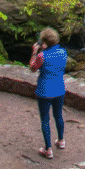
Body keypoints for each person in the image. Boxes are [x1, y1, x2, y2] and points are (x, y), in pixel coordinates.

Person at [28, 27, 68, 159]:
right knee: (58, 115)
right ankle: (61, 141)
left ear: (44, 42)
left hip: (45, 90)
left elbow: (32, 68)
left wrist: (34, 51)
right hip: (59, 88)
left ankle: (48, 149)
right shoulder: (63, 52)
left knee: (45, 119)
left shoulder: (42, 55)